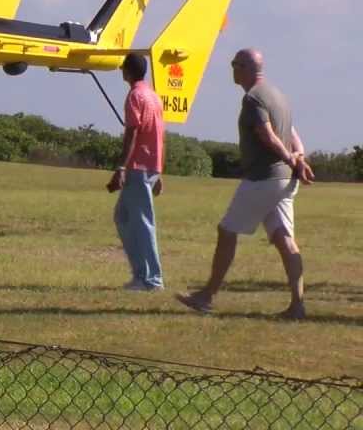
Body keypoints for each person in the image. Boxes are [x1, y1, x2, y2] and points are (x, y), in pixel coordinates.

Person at [177, 49, 315, 320]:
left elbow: (268, 135)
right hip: (285, 180)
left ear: (246, 68)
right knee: (285, 239)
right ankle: (297, 306)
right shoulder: (278, 96)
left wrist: (291, 158)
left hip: (263, 179)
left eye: (235, 64)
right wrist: (298, 157)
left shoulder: (253, 98)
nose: (232, 69)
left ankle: (206, 296)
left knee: (227, 230)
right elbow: (293, 136)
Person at [106, 54, 166, 291]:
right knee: (123, 217)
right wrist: (159, 171)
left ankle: (150, 280)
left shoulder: (135, 96)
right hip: (150, 165)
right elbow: (160, 134)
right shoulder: (153, 96)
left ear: (127, 71)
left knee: (141, 222)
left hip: (138, 166)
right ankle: (141, 274)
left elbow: (132, 132)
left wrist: (121, 166)